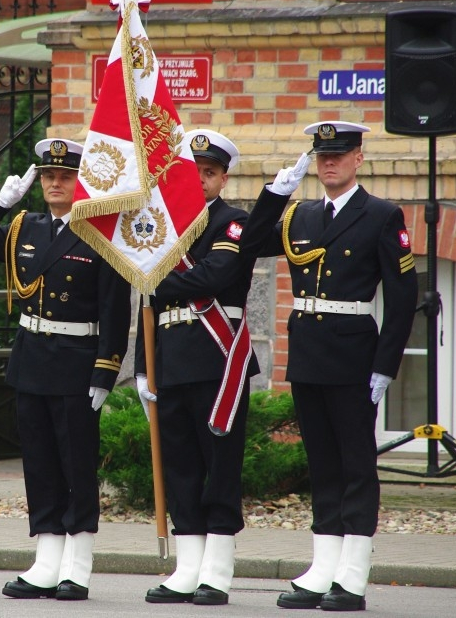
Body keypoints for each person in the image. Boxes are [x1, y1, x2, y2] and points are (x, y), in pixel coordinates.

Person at [134, 130, 312, 606]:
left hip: (217, 360)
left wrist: (159, 280)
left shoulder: (233, 224)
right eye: (191, 174)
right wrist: (140, 366)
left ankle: (217, 569)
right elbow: (146, 304)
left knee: (219, 466)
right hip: (170, 359)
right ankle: (187, 568)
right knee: (182, 468)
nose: (200, 181)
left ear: (222, 178)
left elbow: (217, 276)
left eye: (208, 174)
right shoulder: (162, 228)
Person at [0, 138, 132, 602]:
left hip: (76, 362)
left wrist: (106, 369)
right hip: (31, 359)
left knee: (76, 464)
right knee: (39, 465)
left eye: (66, 176)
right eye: (49, 176)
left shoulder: (100, 232)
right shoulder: (23, 228)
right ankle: (46, 560)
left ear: (81, 183)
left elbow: (116, 308)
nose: (56, 183)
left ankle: (79, 564)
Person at [266, 121, 418, 612]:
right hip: (309, 354)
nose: (328, 162)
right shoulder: (301, 215)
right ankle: (322, 567)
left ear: (358, 158)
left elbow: (402, 298)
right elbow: (248, 244)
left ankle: (352, 574)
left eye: (340, 153)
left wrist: (385, 366)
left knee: (355, 465)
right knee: (322, 464)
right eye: (321, 155)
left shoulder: (380, 214)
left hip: (354, 355)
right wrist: (275, 195)